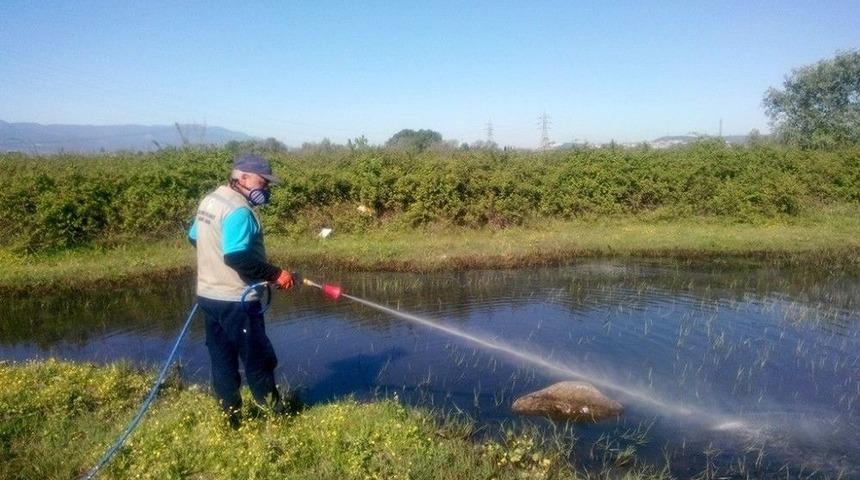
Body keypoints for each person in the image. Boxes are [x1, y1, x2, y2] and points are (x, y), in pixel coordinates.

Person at [188, 153, 294, 426]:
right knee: (258, 359)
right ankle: (276, 419)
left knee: (222, 360)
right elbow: (236, 257)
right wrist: (277, 274)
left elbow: (194, 237)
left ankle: (231, 420)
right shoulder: (239, 210)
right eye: (263, 182)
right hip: (237, 300)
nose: (266, 189)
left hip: (208, 297)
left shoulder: (210, 200)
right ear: (243, 178)